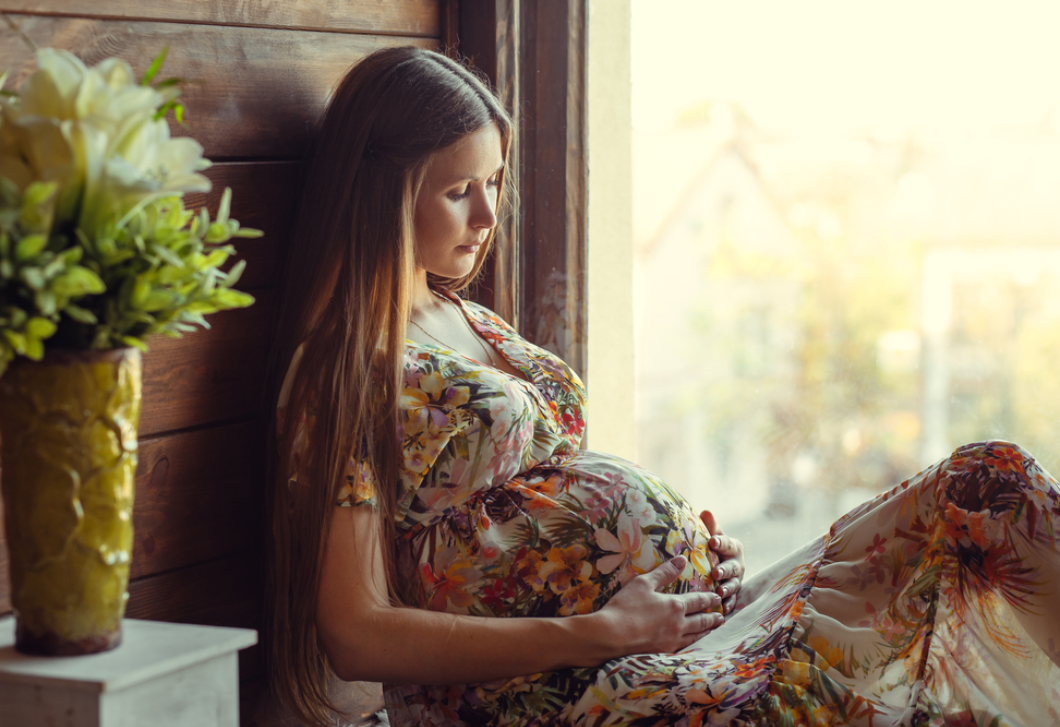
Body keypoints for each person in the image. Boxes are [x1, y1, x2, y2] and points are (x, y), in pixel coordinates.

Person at [265, 46, 1060, 727]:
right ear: (385, 191)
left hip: (654, 644)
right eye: (457, 190)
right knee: (972, 513)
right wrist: (601, 629)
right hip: (566, 689)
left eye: (496, 182)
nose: (488, 215)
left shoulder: (462, 316)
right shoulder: (340, 370)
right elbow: (356, 630)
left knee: (987, 481)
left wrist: (689, 565)